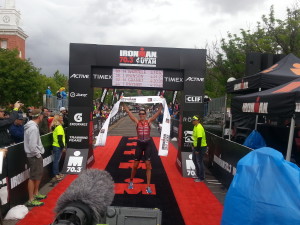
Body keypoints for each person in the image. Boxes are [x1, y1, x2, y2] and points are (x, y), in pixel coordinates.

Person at [122, 98, 163, 194]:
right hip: (140, 144)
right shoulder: (137, 122)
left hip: (148, 144)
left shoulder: (149, 121)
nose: (141, 115)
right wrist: (122, 102)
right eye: (140, 114)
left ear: (145, 115)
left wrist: (161, 104)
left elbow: (157, 113)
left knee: (148, 165)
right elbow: (128, 112)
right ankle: (131, 181)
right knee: (135, 165)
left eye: (143, 114)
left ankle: (148, 186)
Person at [24, 109, 47, 207]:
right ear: (40, 116)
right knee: (33, 177)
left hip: (34, 155)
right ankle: (31, 199)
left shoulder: (32, 126)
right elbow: (33, 146)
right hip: (34, 156)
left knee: (37, 175)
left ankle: (36, 193)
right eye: (42, 115)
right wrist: (38, 155)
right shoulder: (33, 128)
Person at [191, 115, 207, 182]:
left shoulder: (199, 127)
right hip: (196, 146)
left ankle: (201, 177)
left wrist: (197, 149)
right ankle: (198, 175)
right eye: (193, 120)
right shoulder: (195, 126)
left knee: (199, 162)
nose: (193, 121)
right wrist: (193, 145)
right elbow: (194, 137)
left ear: (198, 121)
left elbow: (200, 139)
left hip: (201, 147)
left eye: (194, 120)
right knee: (194, 160)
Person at [50, 113, 65, 181]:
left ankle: (57, 173)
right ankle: (56, 174)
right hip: (58, 146)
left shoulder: (56, 126)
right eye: (61, 118)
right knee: (56, 161)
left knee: (56, 161)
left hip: (56, 146)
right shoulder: (59, 127)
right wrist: (63, 147)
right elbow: (60, 139)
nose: (62, 118)